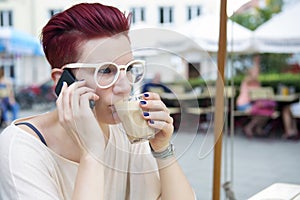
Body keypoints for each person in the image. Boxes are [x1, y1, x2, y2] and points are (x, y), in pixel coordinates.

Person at [0, 3, 195, 200]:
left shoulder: (126, 130)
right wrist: (92, 154)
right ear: (63, 81)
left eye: (128, 69)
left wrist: (162, 149)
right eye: (106, 71)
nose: (125, 87)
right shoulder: (20, 147)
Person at [236, 55, 268, 137]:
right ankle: (249, 128)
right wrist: (256, 62)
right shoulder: (247, 80)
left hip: (253, 104)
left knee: (266, 113)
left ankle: (257, 128)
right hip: (244, 104)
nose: (256, 73)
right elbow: (254, 77)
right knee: (261, 113)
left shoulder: (257, 83)